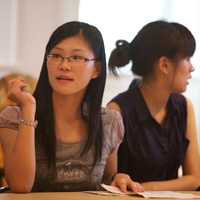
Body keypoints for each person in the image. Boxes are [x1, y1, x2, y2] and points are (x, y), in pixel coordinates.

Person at [0, 21, 144, 193]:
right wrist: (29, 108)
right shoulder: (14, 117)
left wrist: (117, 178)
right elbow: (20, 185)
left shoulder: (109, 122)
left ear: (97, 69)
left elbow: (107, 178)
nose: (64, 65)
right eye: (56, 56)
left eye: (77, 57)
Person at [107, 20, 200, 191]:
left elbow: (195, 178)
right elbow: (108, 178)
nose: (192, 67)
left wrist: (145, 188)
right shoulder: (117, 111)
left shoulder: (185, 106)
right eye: (187, 59)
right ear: (164, 64)